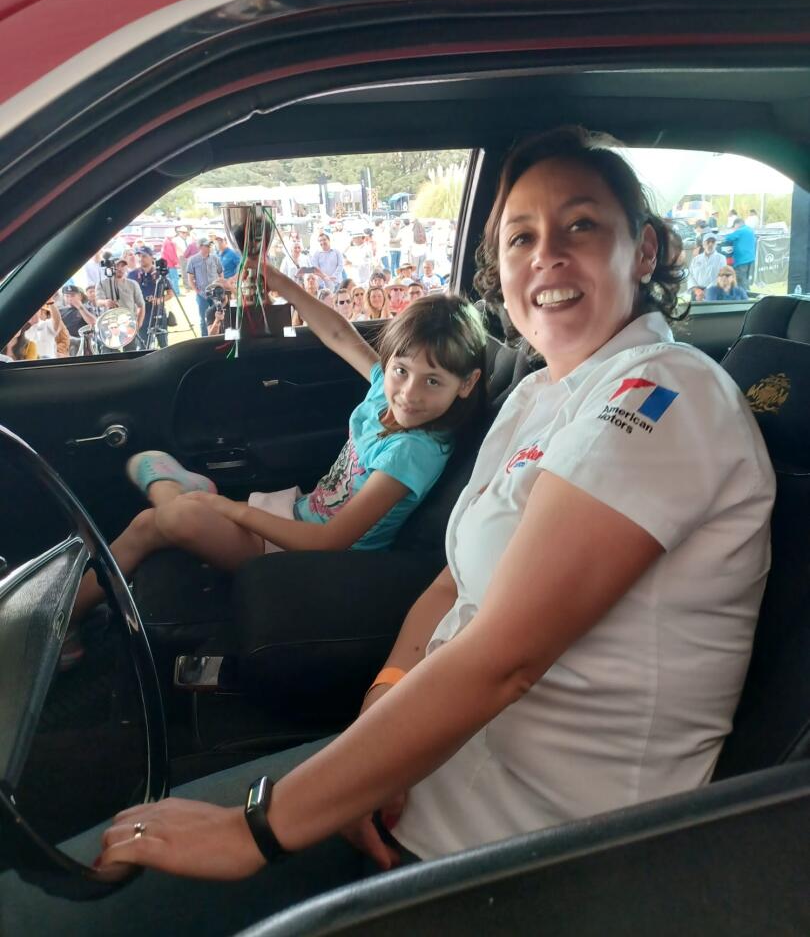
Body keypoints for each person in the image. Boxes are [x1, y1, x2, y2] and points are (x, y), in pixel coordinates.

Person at [9, 128, 776, 935]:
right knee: (79, 880)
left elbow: (504, 656)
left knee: (63, 907)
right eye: (521, 236)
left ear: (645, 249)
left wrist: (257, 829)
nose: (546, 255)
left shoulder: (663, 397)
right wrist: (383, 705)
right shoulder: (541, 396)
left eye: (580, 225)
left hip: (544, 853)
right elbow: (450, 585)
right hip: (429, 779)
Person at [70, 280, 485, 628]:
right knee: (150, 523)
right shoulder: (386, 392)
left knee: (171, 517)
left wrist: (229, 509)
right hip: (297, 517)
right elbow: (339, 334)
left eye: (434, 381)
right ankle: (69, 622)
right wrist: (276, 279)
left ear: (466, 385)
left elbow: (329, 541)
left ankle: (68, 622)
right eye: (402, 371)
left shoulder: (413, 451)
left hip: (316, 561)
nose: (410, 393)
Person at [129, 247, 173, 349]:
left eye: (144, 256)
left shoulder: (159, 273)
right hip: (141, 313)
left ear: (152, 258)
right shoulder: (132, 274)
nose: (141, 258)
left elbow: (170, 294)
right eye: (139, 256)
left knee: (163, 344)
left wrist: (158, 300)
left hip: (158, 312)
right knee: (143, 344)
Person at [98, 257, 146, 331]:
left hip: (129, 324)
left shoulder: (133, 284)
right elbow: (98, 301)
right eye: (117, 266)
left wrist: (138, 324)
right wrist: (105, 302)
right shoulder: (102, 284)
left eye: (123, 266)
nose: (120, 268)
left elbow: (141, 305)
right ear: (111, 268)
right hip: (111, 325)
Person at [187, 239, 223, 336]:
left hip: (215, 294)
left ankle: (217, 337)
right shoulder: (193, 260)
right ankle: (204, 339)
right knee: (203, 319)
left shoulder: (215, 258)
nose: (209, 248)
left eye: (209, 246)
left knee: (218, 316)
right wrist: (197, 290)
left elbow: (221, 273)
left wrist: (221, 286)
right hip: (202, 295)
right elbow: (190, 278)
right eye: (206, 246)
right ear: (200, 246)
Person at [720, 217, 757, 291]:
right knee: (745, 279)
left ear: (737, 224)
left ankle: (745, 296)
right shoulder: (749, 230)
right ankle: (747, 294)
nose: (734, 229)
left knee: (740, 279)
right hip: (750, 258)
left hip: (742, 259)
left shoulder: (740, 231)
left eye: (734, 227)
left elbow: (728, 238)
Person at [159, 231, 181, 296]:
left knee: (169, 279)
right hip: (170, 264)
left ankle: (171, 292)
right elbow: (171, 254)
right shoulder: (169, 243)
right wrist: (176, 262)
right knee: (174, 278)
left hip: (166, 263)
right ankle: (176, 292)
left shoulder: (165, 242)